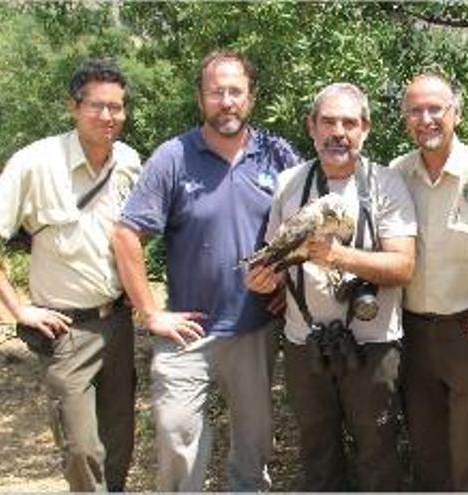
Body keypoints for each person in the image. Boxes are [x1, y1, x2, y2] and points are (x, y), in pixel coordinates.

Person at [111, 49, 300, 491]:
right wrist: (150, 314)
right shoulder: (173, 157)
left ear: (251, 98)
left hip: (256, 328)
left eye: (236, 92)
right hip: (188, 331)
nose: (227, 101)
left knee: (253, 447)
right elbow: (125, 235)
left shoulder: (278, 155)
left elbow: (305, 231)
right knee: (177, 435)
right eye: (217, 92)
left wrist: (288, 283)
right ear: (201, 99)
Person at [0, 59, 139, 491]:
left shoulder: (130, 162)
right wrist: (18, 308)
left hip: (118, 323)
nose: (107, 116)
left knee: (119, 443)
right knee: (81, 449)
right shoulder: (36, 162)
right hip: (66, 331)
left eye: (116, 107)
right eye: (96, 106)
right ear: (73, 107)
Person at [246, 82, 417, 491]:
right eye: (328, 122)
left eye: (349, 122)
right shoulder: (289, 182)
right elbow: (274, 254)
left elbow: (403, 266)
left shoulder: (386, 184)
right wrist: (261, 279)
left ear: (365, 129)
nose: (338, 132)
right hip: (305, 342)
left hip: (372, 344)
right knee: (317, 452)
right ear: (311, 127)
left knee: (377, 451)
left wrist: (335, 255)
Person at [388, 72, 468, 491]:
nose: (426, 118)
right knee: (425, 447)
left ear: (457, 112)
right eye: (415, 110)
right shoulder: (393, 176)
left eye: (436, 108)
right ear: (405, 120)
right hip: (412, 331)